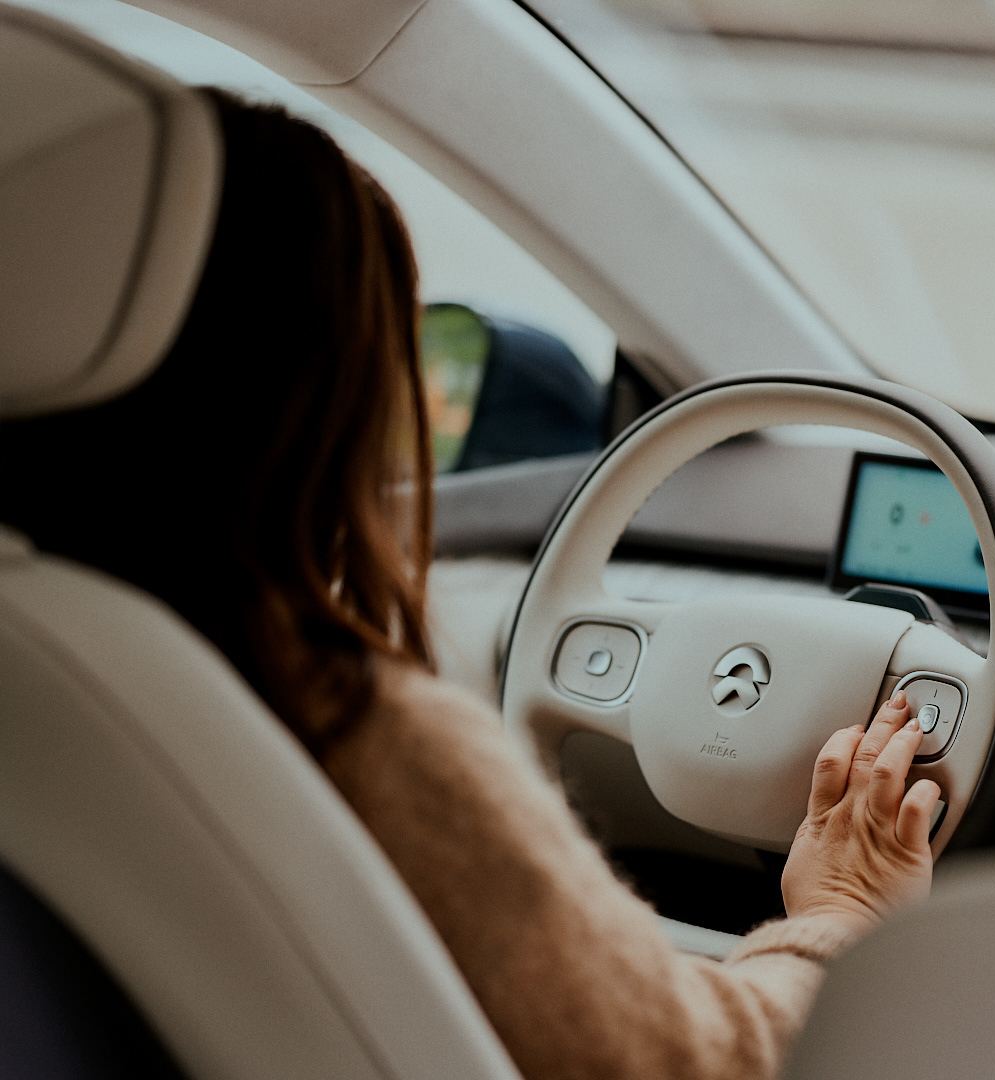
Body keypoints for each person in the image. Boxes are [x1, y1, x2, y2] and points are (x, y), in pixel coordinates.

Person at [0, 91, 941, 1078]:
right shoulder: (357, 736)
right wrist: (843, 914)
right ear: (333, 406)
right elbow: (698, 1065)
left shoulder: (46, 648)